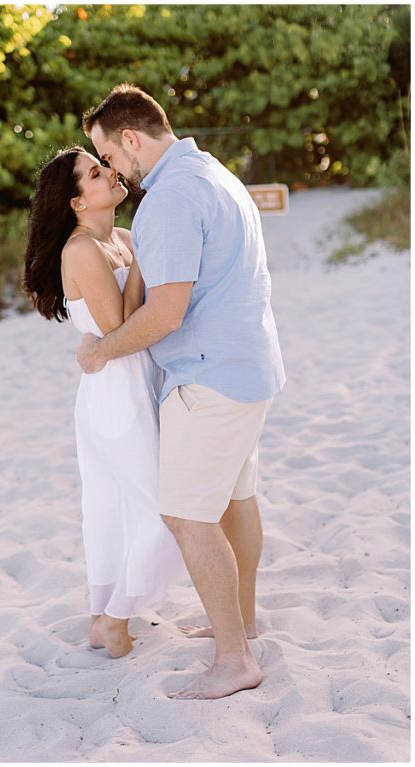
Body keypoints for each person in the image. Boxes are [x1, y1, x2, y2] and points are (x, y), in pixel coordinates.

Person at [78, 84, 286, 700]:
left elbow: (165, 314)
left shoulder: (167, 199)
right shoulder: (211, 171)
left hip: (208, 377)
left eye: (108, 155)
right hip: (250, 370)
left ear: (131, 139)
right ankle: (242, 621)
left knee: (187, 515)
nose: (113, 169)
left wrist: (101, 351)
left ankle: (234, 659)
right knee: (233, 501)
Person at [24, 146, 186, 659]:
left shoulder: (119, 237)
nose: (110, 173)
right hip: (114, 392)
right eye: (95, 173)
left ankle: (102, 614)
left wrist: (137, 249)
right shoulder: (82, 251)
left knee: (117, 505)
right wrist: (139, 260)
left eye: (105, 164)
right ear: (76, 202)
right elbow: (118, 326)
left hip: (137, 378)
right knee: (161, 509)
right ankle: (115, 618)